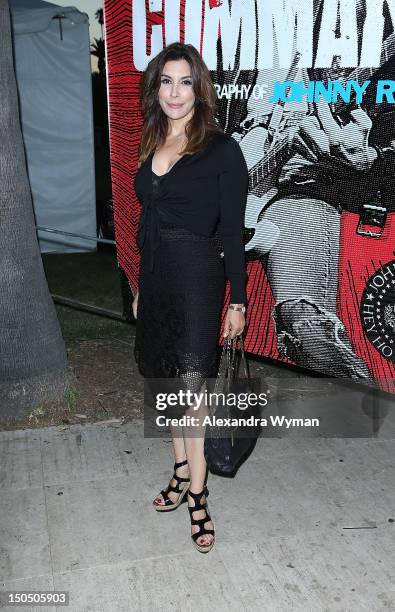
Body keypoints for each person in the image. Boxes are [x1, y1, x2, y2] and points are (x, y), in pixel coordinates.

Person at [131, 42, 248, 553]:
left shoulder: (221, 150)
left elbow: (232, 236)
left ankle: (199, 496)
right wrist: (139, 285)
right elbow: (144, 222)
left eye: (184, 82)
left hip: (199, 280)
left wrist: (238, 301)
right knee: (167, 384)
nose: (174, 92)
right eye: (165, 81)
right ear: (156, 89)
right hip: (156, 282)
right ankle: (180, 472)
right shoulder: (151, 141)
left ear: (198, 89)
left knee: (192, 391)